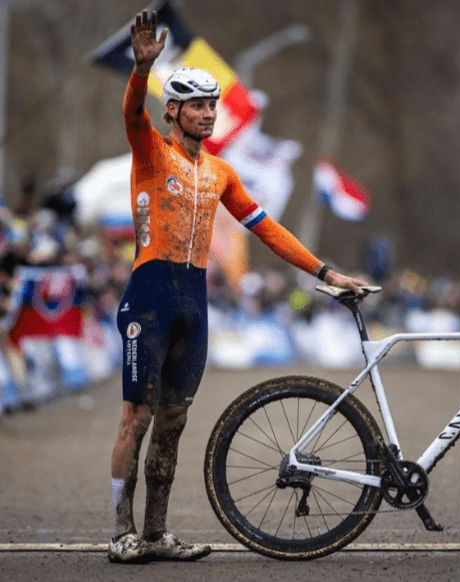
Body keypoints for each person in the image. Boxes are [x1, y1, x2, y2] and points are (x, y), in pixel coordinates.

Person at [108, 9, 368, 564]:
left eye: (212, 105)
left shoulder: (221, 172)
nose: (208, 114)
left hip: (193, 302)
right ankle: (121, 532)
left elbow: (266, 229)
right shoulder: (152, 150)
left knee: (173, 425)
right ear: (174, 110)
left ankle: (156, 533)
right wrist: (141, 69)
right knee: (137, 417)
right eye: (198, 106)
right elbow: (132, 112)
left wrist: (325, 272)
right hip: (149, 297)